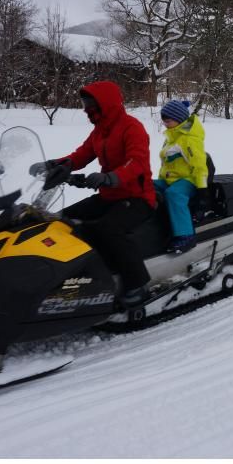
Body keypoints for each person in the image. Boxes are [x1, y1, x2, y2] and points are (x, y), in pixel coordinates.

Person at [38, 80, 157, 309]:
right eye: (85, 104)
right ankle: (72, 275)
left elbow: (138, 162)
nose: (86, 110)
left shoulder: (132, 127)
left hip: (138, 197)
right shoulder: (100, 131)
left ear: (106, 104)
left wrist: (109, 177)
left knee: (108, 229)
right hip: (109, 195)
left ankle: (137, 285)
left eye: (90, 104)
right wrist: (55, 164)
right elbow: (82, 154)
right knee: (61, 219)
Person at [154, 99, 209, 254]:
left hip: (189, 180)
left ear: (178, 119)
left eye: (168, 120)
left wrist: (202, 190)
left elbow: (199, 166)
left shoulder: (189, 138)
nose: (165, 124)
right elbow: (165, 164)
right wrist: (160, 180)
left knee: (174, 194)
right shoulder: (172, 136)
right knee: (146, 185)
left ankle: (186, 235)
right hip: (171, 180)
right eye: (163, 120)